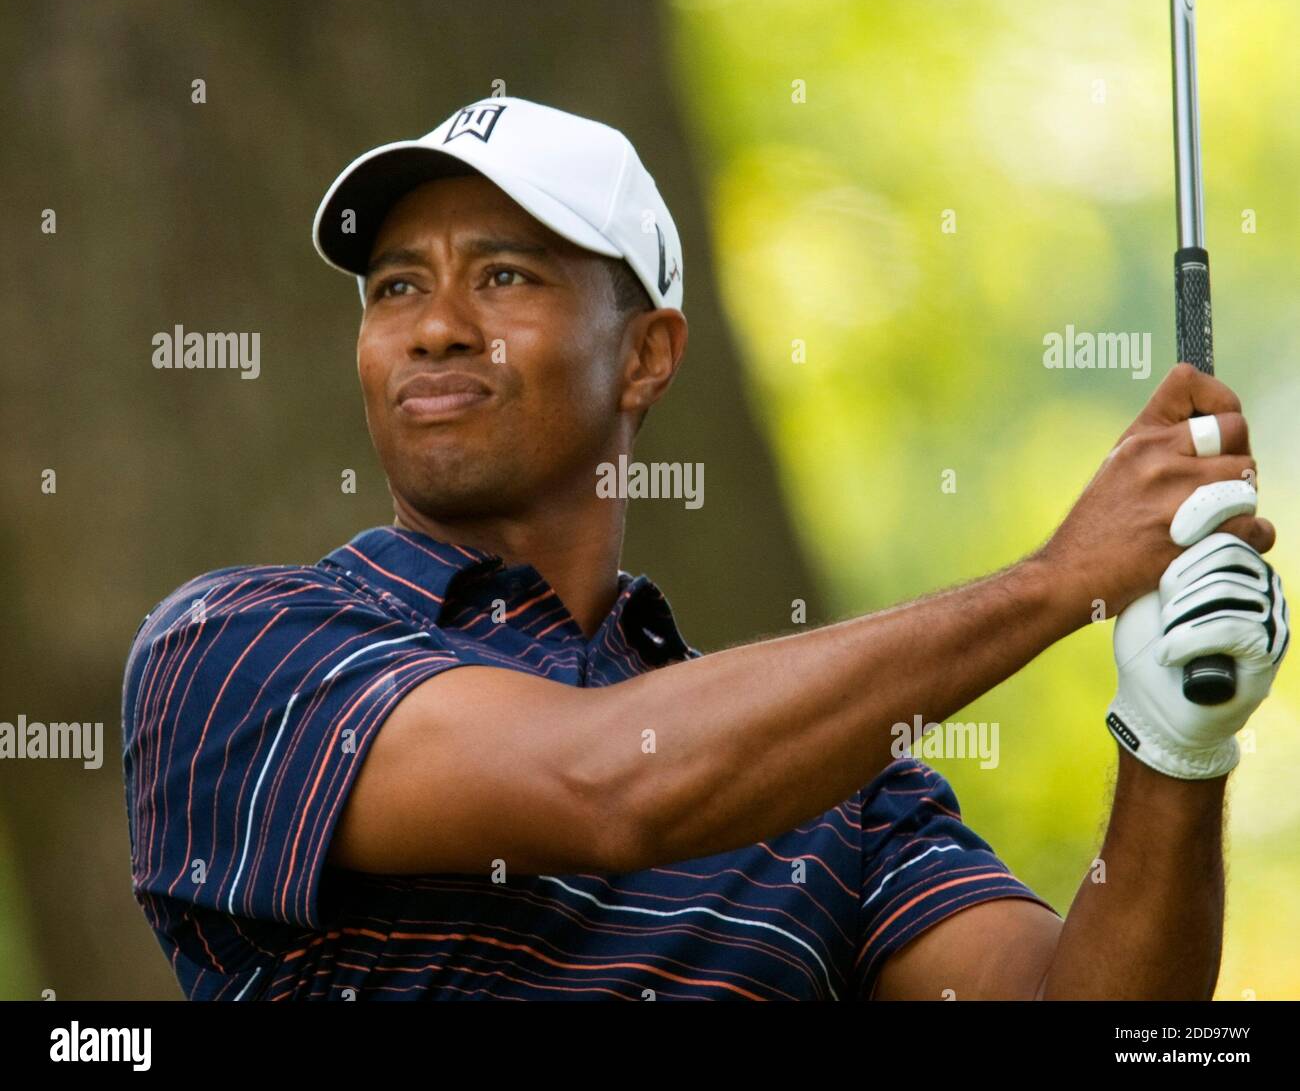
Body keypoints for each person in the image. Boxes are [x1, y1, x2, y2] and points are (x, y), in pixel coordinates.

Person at [120, 96, 1288, 1001]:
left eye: (503, 275)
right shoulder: (231, 645)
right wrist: (1055, 583)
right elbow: (608, 783)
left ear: (646, 357)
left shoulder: (838, 787)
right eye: (395, 287)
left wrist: (1173, 748)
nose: (433, 327)